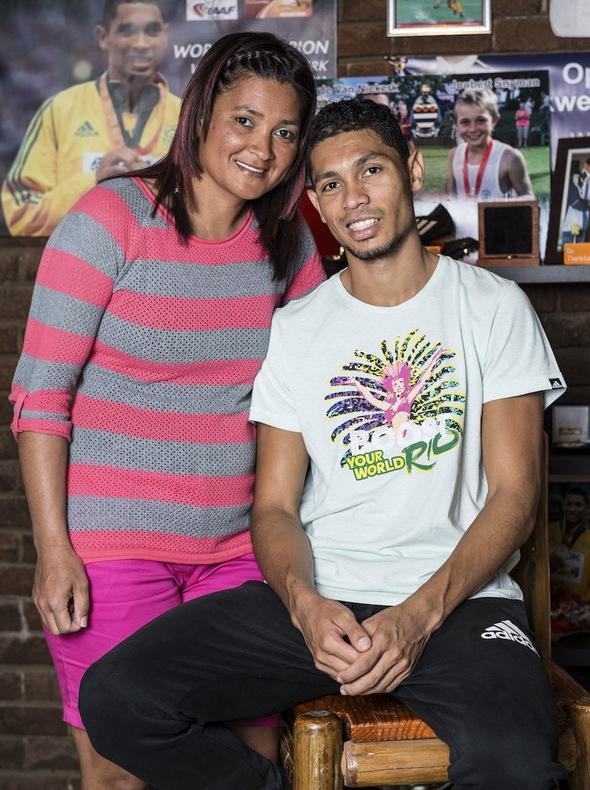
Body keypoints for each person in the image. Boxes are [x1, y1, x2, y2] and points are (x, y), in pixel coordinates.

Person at [79, 97, 567, 789]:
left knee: (516, 766)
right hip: (324, 602)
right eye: (331, 184)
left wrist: (416, 619)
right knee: (118, 697)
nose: (353, 198)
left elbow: (516, 495)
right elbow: (274, 507)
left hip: (458, 605)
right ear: (315, 201)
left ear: (411, 172)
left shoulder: (491, 306)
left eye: (371, 170)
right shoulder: (300, 325)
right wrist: (305, 606)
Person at [9, 31, 323, 790]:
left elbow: (324, 382)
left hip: (241, 552)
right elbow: (40, 398)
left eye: (285, 133)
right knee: (120, 772)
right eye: (245, 121)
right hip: (113, 550)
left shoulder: (287, 243)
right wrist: (55, 551)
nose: (263, 149)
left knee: (246, 764)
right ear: (201, 115)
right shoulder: (111, 219)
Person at [1, 0, 181, 237]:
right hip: (76, 266)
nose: (141, 43)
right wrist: (94, 181)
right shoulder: (61, 109)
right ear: (103, 37)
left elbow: (207, 217)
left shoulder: (185, 116)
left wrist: (151, 188)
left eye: (152, 31)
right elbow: (20, 213)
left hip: (160, 269)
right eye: (127, 31)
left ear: (165, 36)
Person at [446, 87, 534, 200]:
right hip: (462, 218)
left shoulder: (510, 157)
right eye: (465, 122)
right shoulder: (454, 155)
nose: (473, 129)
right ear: (456, 124)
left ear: (494, 120)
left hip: (498, 217)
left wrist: (501, 206)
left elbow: (529, 198)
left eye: (481, 120)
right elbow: (450, 196)